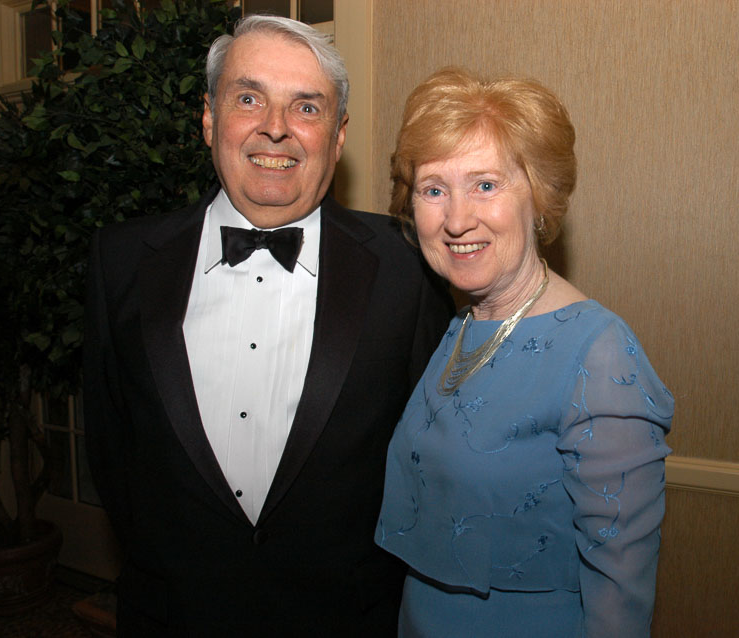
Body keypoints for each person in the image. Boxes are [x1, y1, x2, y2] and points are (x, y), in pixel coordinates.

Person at [83, 16, 451, 636]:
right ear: (209, 119)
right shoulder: (119, 260)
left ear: (338, 136)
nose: (275, 127)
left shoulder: (408, 266)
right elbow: (112, 450)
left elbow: (430, 462)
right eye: (249, 98)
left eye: (306, 107)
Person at [375, 68, 674, 637]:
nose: (457, 219)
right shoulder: (459, 326)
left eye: (485, 185)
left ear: (539, 197)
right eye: (434, 189)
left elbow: (621, 594)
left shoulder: (598, 353)